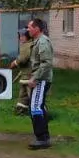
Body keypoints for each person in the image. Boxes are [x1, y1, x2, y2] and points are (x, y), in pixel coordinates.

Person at [25, 18, 54, 150]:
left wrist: (35, 78)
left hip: (41, 80)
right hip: (40, 78)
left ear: (37, 29)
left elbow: (46, 63)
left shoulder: (43, 42)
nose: (28, 29)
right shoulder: (37, 41)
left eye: (29, 27)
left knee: (36, 107)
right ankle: (43, 137)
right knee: (37, 107)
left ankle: (42, 139)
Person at [14, 29, 33, 116]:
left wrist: (14, 63)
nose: (20, 38)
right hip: (25, 75)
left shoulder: (27, 46)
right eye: (20, 36)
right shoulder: (27, 45)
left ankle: (40, 112)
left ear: (27, 36)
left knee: (31, 95)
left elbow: (22, 59)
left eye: (23, 36)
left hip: (29, 75)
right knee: (23, 94)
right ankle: (21, 110)